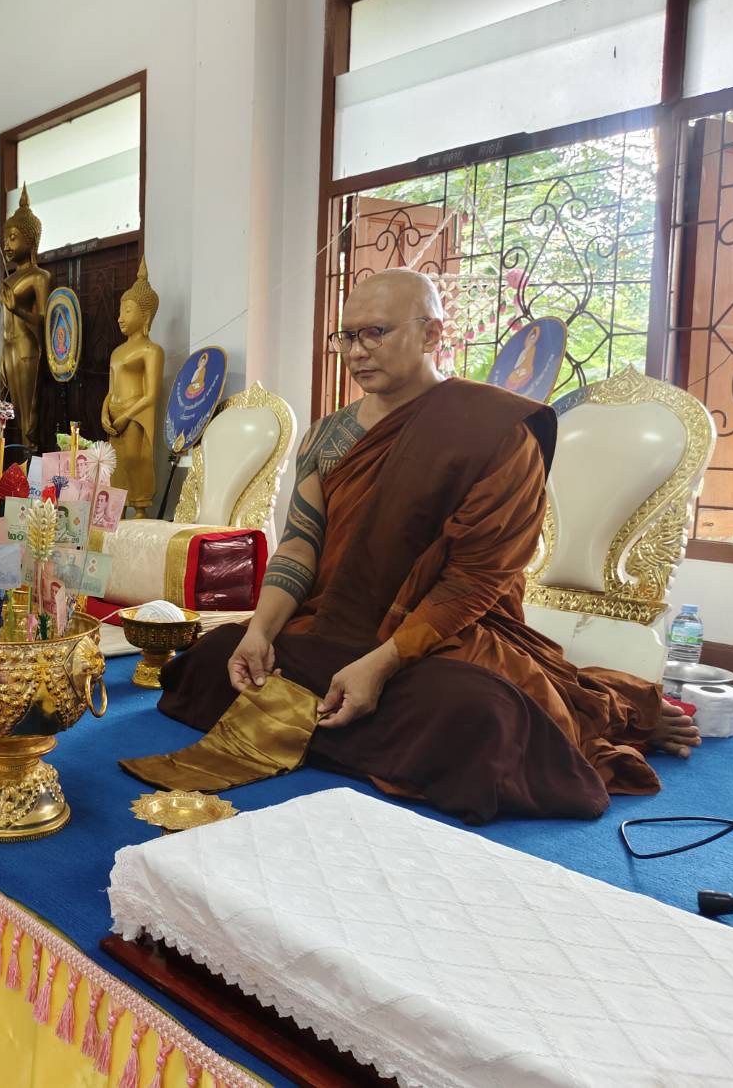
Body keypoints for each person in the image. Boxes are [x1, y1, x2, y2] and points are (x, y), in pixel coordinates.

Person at [153, 269, 699, 824]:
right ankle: (350, 724)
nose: (356, 351)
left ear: (433, 334)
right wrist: (262, 631)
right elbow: (299, 548)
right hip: (332, 623)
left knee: (478, 717)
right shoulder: (327, 436)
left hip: (437, 632)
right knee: (213, 660)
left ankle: (610, 712)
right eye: (346, 336)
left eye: (376, 333)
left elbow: (474, 581)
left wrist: (379, 666)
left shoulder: (496, 429)